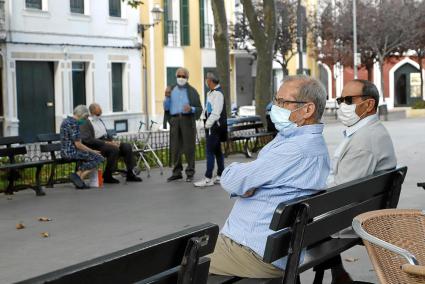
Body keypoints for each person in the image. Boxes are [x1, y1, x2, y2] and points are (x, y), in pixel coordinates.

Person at [209, 75, 330, 278]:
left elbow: (231, 180)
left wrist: (246, 176)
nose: (275, 106)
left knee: (170, 261)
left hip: (252, 250)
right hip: (278, 248)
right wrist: (253, 174)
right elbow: (249, 176)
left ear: (308, 110)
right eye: (276, 100)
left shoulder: (294, 149)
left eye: (283, 102)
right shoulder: (308, 143)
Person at [326, 79, 397, 284]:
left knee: (289, 227)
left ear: (369, 104)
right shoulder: (368, 132)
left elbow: (339, 190)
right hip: (363, 210)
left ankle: (337, 275)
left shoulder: (364, 141)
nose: (342, 105)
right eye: (340, 100)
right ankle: (338, 274)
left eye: (348, 100)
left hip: (349, 220)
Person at [79, 103, 142, 184]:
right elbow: (88, 140)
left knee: (127, 146)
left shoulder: (100, 120)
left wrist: (113, 141)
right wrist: (108, 143)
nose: (99, 115)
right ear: (91, 112)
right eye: (97, 114)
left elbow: (105, 134)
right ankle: (107, 175)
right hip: (96, 145)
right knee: (113, 149)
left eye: (100, 113)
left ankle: (131, 173)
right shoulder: (86, 122)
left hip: (106, 142)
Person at [163, 67, 203, 182]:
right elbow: (166, 108)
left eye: (183, 76)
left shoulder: (192, 91)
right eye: (179, 76)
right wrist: (167, 97)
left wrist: (192, 108)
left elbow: (200, 108)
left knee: (189, 147)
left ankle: (190, 172)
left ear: (187, 78)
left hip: (187, 120)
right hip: (175, 120)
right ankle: (177, 172)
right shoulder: (171, 90)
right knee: (175, 147)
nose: (181, 78)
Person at [194, 72, 227, 187]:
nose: (206, 82)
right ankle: (220, 175)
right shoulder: (211, 93)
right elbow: (208, 108)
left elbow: (216, 113)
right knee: (217, 151)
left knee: (210, 152)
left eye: (207, 80)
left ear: (210, 81)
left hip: (214, 127)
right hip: (212, 126)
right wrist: (202, 117)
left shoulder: (218, 94)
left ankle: (208, 178)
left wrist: (207, 124)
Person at [60, 105, 104, 189]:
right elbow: (78, 144)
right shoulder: (74, 124)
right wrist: (92, 151)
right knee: (99, 157)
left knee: (91, 156)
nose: (84, 120)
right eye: (85, 118)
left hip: (65, 152)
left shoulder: (66, 121)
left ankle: (78, 179)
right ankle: (79, 176)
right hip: (71, 153)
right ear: (81, 115)